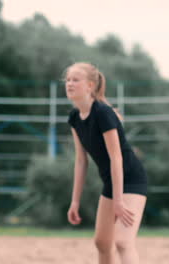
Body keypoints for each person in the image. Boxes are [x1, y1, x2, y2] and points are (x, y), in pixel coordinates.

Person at [65, 62, 147, 263]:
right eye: (67, 80)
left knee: (123, 243)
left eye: (75, 79)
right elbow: (81, 161)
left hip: (131, 179)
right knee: (102, 243)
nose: (69, 84)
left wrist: (119, 201)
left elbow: (116, 158)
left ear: (90, 86)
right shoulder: (75, 117)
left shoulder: (103, 113)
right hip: (111, 183)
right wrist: (75, 201)